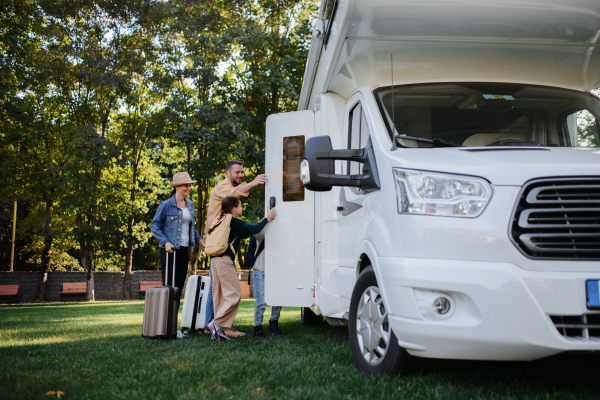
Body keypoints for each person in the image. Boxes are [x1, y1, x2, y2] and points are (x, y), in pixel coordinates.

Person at [204, 160, 266, 331]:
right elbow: (237, 193)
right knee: (220, 291)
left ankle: (218, 325)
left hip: (220, 245)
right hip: (219, 245)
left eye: (242, 172)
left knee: (217, 290)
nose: (240, 175)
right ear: (227, 173)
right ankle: (213, 323)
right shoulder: (222, 186)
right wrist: (254, 183)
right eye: (237, 172)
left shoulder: (231, 216)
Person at [206, 196, 276, 341]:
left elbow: (244, 233)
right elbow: (254, 228)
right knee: (235, 294)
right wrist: (267, 218)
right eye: (240, 206)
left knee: (219, 295)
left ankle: (222, 330)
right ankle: (216, 323)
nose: (242, 208)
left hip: (214, 260)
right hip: (225, 260)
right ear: (234, 208)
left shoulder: (219, 220)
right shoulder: (232, 220)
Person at [151, 171, 205, 298]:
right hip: (170, 250)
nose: (189, 188)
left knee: (179, 287)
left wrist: (200, 242)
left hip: (184, 250)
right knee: (169, 287)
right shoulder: (166, 205)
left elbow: (191, 228)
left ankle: (173, 317)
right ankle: (166, 317)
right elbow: (155, 226)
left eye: (190, 185)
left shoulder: (190, 204)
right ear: (177, 187)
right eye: (186, 185)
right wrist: (165, 242)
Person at [251, 227, 286, 337]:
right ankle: (257, 329)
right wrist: (268, 219)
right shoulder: (262, 234)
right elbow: (257, 233)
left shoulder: (279, 236)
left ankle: (273, 326)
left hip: (275, 271)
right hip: (260, 270)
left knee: (278, 299)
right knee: (261, 302)